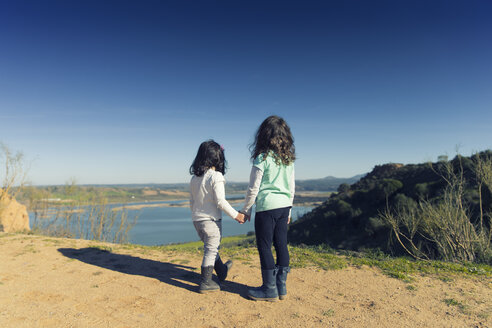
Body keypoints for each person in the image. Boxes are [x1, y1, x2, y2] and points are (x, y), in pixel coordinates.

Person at [241, 115, 295, 301]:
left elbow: (253, 188)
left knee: (264, 246)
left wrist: (246, 209)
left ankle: (269, 289)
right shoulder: (288, 159)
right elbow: (291, 187)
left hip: (267, 207)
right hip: (284, 206)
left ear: (263, 134)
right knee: (281, 244)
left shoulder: (262, 157)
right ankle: (281, 287)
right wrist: (290, 209)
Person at [189, 140, 246, 293]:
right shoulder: (216, 176)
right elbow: (220, 201)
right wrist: (236, 215)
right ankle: (206, 282)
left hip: (197, 220)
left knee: (211, 247)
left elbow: (192, 202)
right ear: (219, 158)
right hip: (211, 221)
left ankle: (221, 271)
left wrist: (196, 217)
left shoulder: (194, 179)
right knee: (211, 249)